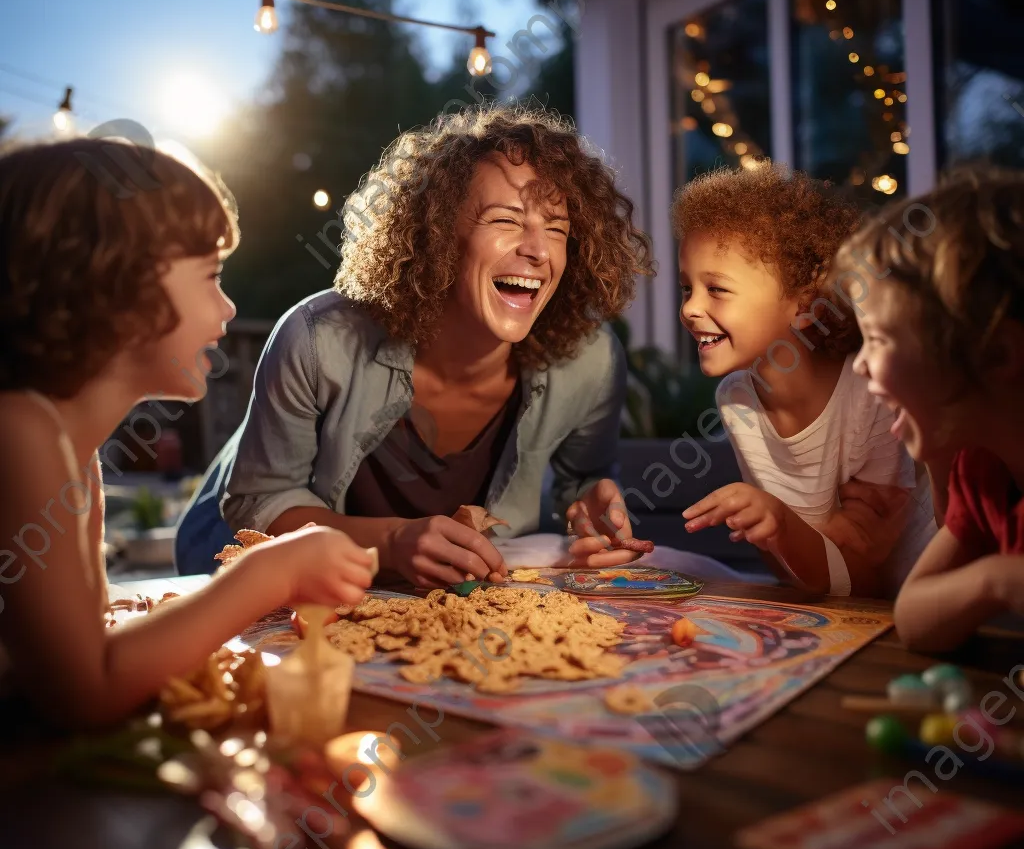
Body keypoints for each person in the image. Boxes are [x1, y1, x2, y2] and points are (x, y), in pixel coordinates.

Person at [176, 106, 655, 585]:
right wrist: (388, 544)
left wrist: (590, 504)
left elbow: (584, 479)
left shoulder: (590, 361)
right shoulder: (317, 338)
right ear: (439, 236)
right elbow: (258, 504)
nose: (539, 250)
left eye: (556, 229)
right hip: (230, 560)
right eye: (505, 221)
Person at [0, 139, 374, 727]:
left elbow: (85, 648)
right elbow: (84, 694)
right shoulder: (20, 434)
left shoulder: (75, 453)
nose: (227, 309)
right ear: (116, 286)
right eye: (210, 276)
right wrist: (271, 572)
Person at [673, 162, 936, 597]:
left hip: (921, 597)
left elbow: (864, 573)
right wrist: (775, 528)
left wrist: (780, 525)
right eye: (687, 288)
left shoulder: (870, 390)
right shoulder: (736, 398)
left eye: (716, 289)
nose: (689, 308)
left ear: (804, 303)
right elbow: (809, 570)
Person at [834, 170, 1024, 649]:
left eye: (877, 339)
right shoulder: (982, 473)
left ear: (996, 355)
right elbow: (915, 619)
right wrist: (997, 579)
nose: (859, 365)